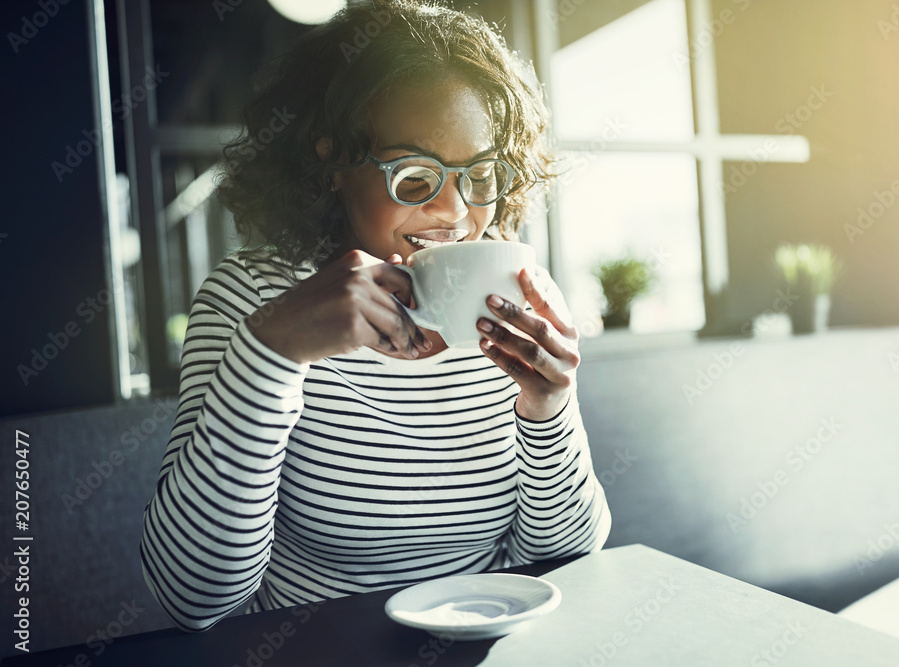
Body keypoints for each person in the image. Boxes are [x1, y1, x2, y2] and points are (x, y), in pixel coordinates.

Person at [140, 0, 611, 632]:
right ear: (332, 164)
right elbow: (192, 598)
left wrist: (549, 409)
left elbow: (562, 561)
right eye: (415, 178)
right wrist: (273, 352)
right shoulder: (253, 299)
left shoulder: (517, 296)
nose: (454, 210)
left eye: (479, 175)